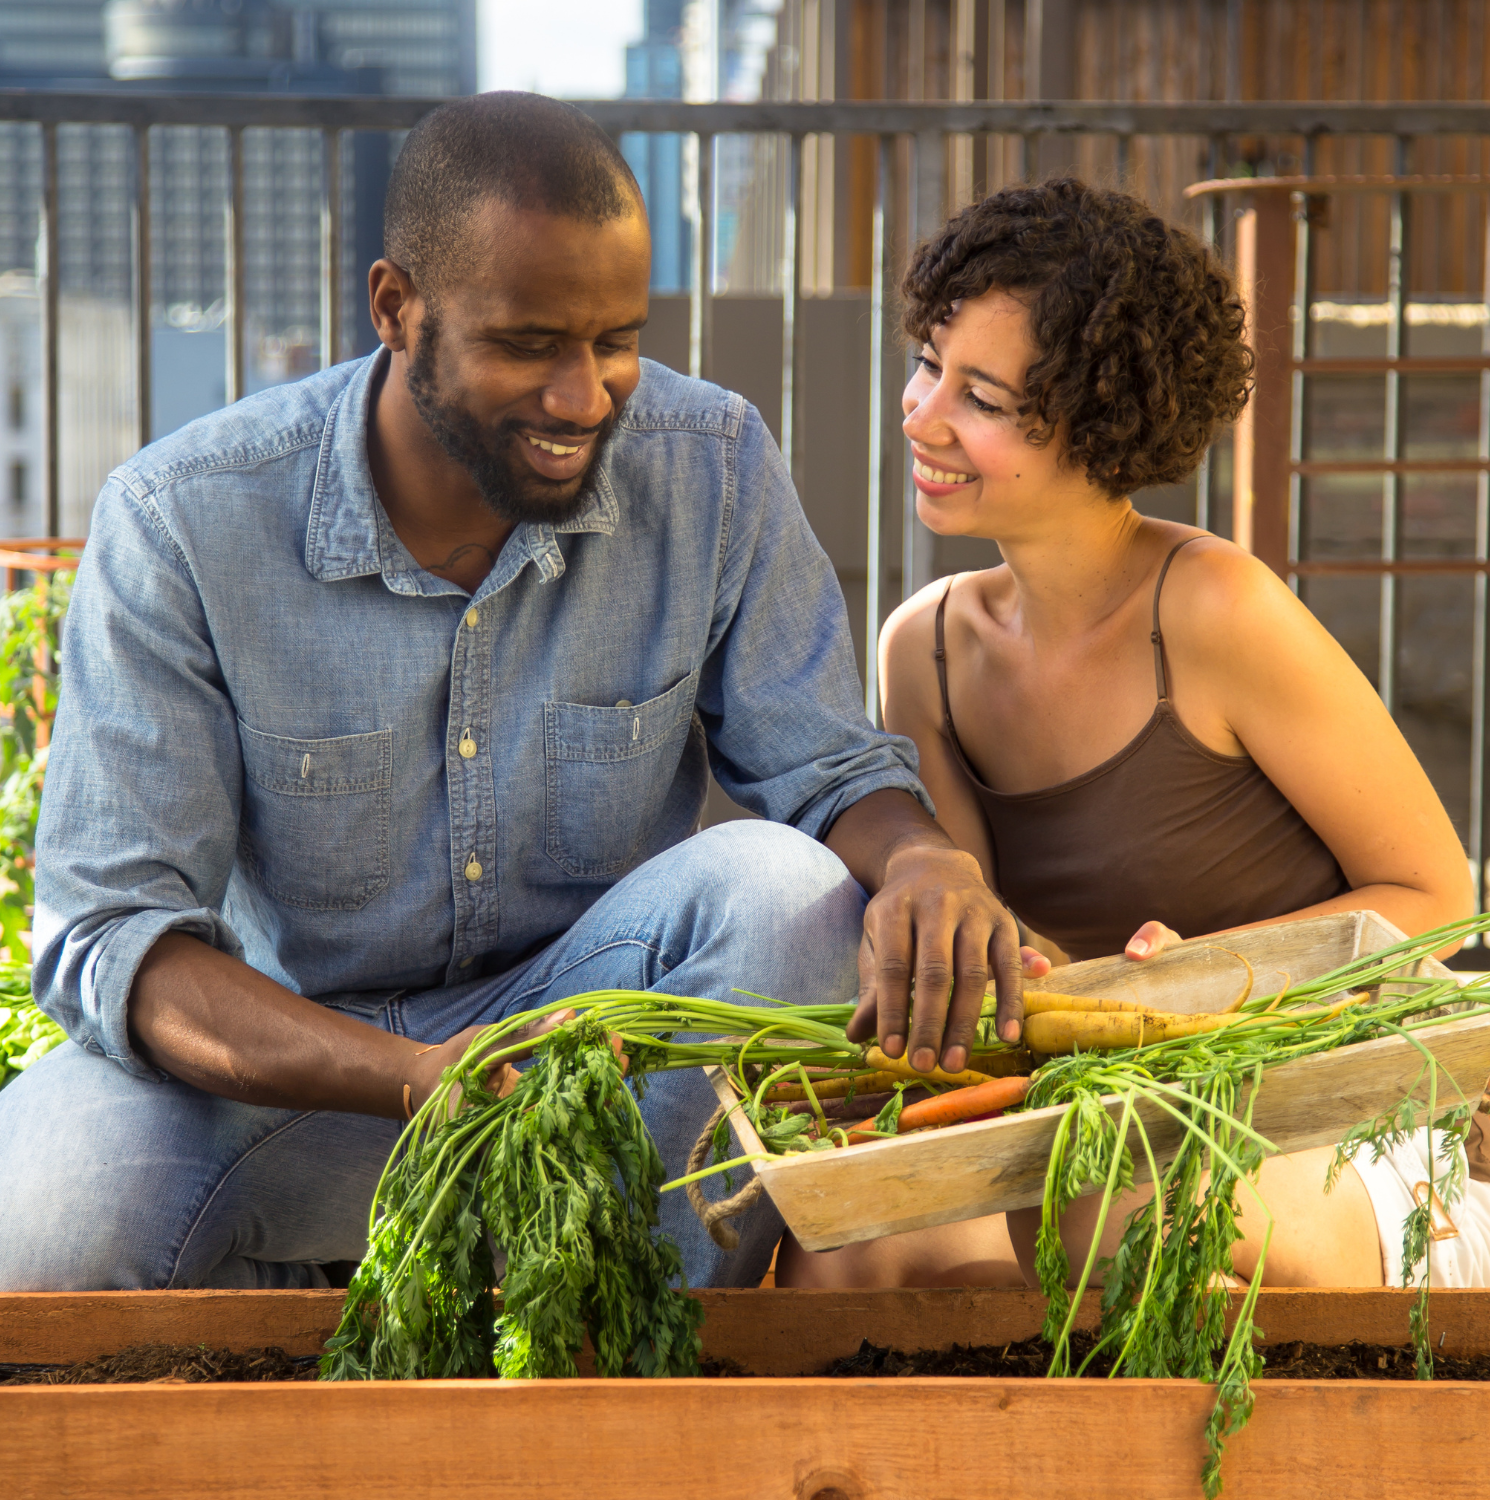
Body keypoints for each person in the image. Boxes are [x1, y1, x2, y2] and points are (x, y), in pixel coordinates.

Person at [0, 93, 1032, 1293]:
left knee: (787, 893)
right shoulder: (185, 522)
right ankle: (336, 1311)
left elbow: (828, 769)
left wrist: (924, 862)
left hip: (600, 1070)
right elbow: (117, 935)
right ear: (397, 308)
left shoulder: (714, 466)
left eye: (614, 340)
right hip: (291, 1077)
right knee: (41, 1227)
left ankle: (629, 1338)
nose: (585, 394)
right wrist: (411, 1077)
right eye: (529, 342)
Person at [778, 177, 1490, 1293]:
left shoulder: (1215, 610)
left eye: (981, 395)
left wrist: (1205, 986)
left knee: (1121, 1221)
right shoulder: (923, 651)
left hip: (1326, 1109)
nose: (921, 415)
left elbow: (1433, 896)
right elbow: (989, 936)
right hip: (1082, 1123)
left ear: (1098, 417)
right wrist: (1005, 966)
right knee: (853, 1264)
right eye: (929, 364)